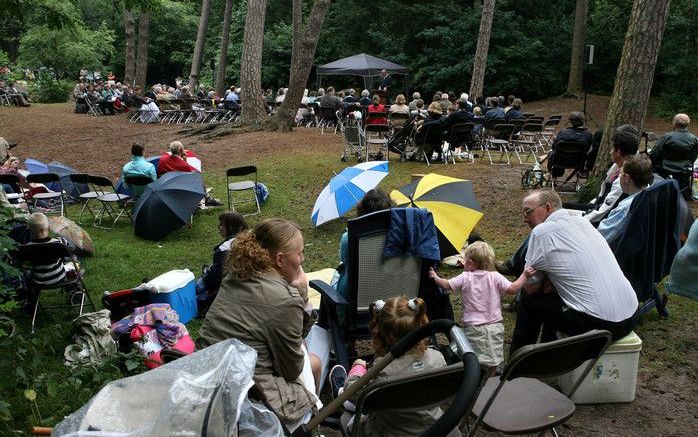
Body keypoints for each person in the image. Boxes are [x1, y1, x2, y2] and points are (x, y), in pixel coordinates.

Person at [196, 219, 328, 430]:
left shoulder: (235, 276)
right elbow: (292, 370)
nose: (303, 258)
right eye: (300, 253)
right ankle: (310, 426)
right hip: (249, 399)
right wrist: (302, 300)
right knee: (313, 363)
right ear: (280, 259)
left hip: (209, 382)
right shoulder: (285, 299)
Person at [509, 189, 639, 353]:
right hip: (632, 314)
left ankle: (519, 362)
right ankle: (549, 351)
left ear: (548, 208)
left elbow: (530, 287)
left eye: (528, 211)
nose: (524, 218)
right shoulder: (583, 222)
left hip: (602, 325)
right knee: (554, 295)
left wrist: (548, 283)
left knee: (529, 298)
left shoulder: (541, 232)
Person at [328, 296, 459, 437]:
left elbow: (353, 392)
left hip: (388, 432)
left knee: (355, 410)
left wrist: (357, 368)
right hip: (435, 428)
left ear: (381, 333)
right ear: (420, 326)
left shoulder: (382, 370)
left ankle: (339, 393)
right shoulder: (436, 357)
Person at [429, 242, 534, 373]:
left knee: (474, 358)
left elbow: (446, 285)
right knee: (494, 358)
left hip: (473, 327)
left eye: (465, 261)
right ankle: (490, 378)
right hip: (494, 326)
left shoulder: (466, 277)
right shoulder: (495, 276)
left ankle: (475, 380)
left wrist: (435, 276)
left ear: (470, 263)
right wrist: (524, 275)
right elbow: (512, 289)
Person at [334, 189, 392, 325]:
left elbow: (343, 259)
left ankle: (344, 338)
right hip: (392, 304)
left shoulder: (348, 239)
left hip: (354, 306)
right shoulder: (401, 236)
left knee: (337, 275)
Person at [196, 211, 248, 313]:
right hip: (245, 283)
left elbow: (215, 278)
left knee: (198, 286)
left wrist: (207, 276)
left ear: (231, 227)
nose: (219, 227)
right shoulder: (249, 240)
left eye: (222, 225)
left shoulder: (224, 249)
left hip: (228, 285)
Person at [597, 154, 654, 244]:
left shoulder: (626, 208)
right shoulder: (652, 195)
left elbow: (601, 237)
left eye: (620, 174)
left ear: (626, 178)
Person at [157, 141, 223, 206]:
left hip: (165, 184)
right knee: (197, 175)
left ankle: (208, 198)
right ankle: (208, 198)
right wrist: (185, 161)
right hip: (180, 186)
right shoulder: (183, 165)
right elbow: (189, 176)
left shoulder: (163, 159)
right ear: (181, 149)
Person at [649, 113, 698, 193]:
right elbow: (694, 155)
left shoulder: (667, 137)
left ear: (674, 123)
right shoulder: (694, 139)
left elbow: (654, 153)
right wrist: (687, 163)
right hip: (684, 168)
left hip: (665, 167)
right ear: (688, 124)